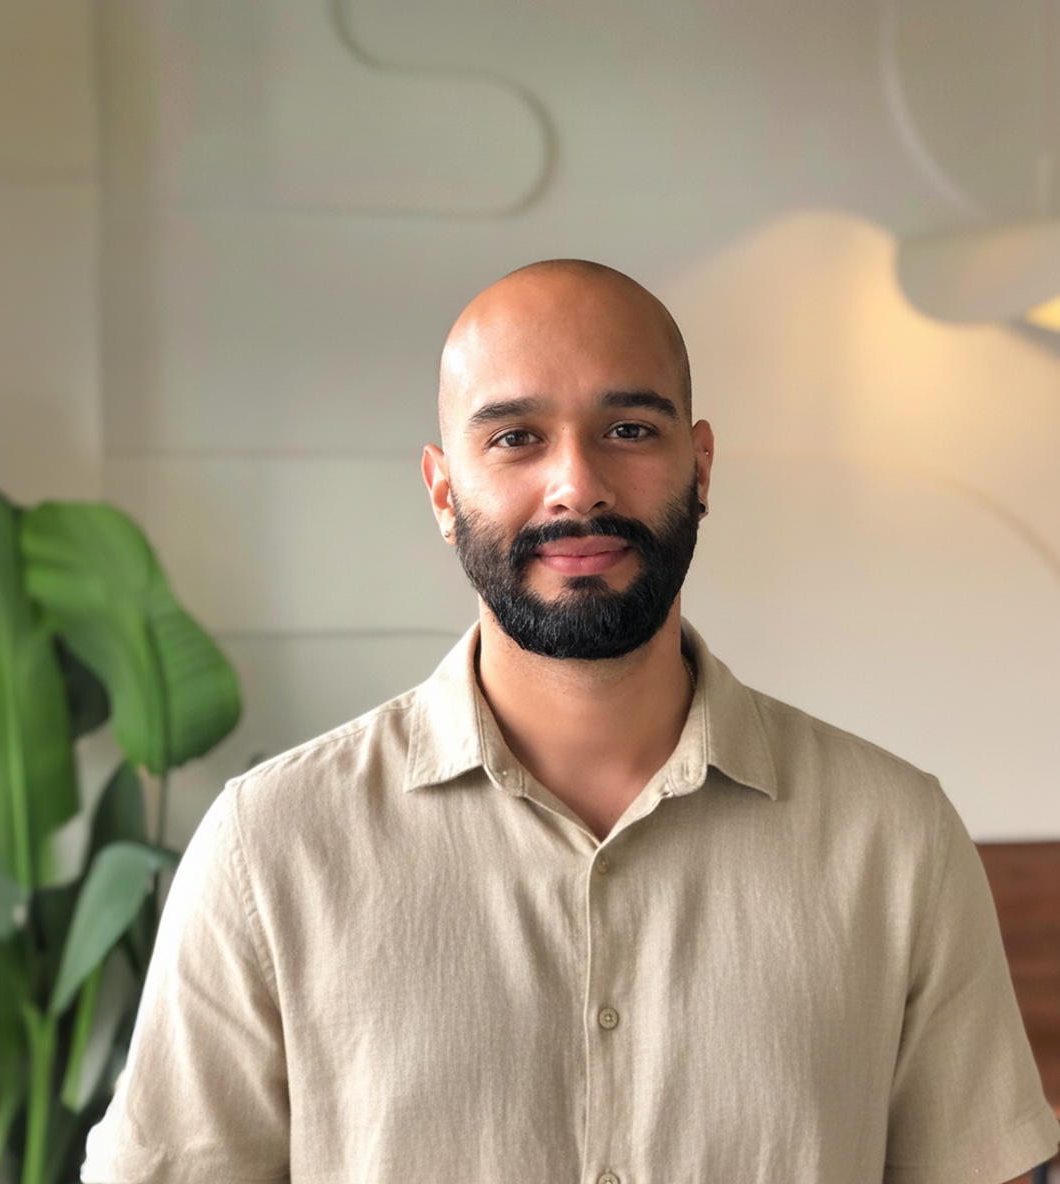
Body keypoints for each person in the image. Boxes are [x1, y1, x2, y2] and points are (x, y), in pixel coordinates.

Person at [80, 260, 1059, 1184]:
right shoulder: (268, 848)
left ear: (700, 465)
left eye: (627, 428)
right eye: (515, 437)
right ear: (442, 491)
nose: (577, 483)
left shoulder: (898, 839)